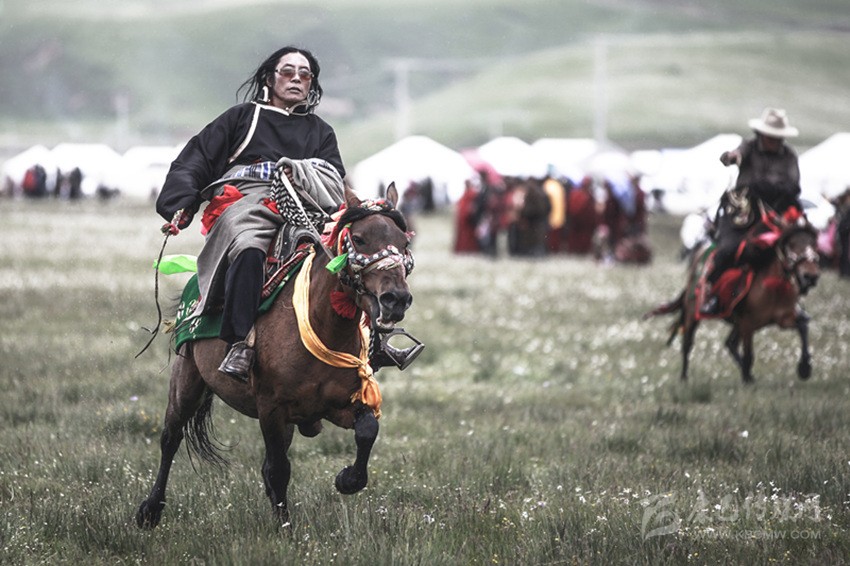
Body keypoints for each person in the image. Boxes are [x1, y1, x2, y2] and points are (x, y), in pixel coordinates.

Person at [156, 46, 348, 382]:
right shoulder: (242, 118)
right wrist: (182, 201)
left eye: (304, 74)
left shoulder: (321, 131)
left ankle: (373, 342)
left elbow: (333, 177)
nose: (296, 79)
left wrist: (300, 174)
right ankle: (239, 343)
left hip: (307, 206)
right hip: (247, 201)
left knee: (353, 258)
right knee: (248, 248)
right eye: (288, 71)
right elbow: (196, 159)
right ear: (270, 78)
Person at [701, 107, 802, 315]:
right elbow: (737, 154)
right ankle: (712, 293)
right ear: (761, 134)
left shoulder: (789, 156)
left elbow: (794, 186)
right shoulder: (749, 146)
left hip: (779, 213)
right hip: (744, 213)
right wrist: (731, 157)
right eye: (771, 136)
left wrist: (768, 188)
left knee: (799, 252)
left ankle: (792, 303)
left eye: (777, 137)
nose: (774, 140)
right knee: (728, 249)